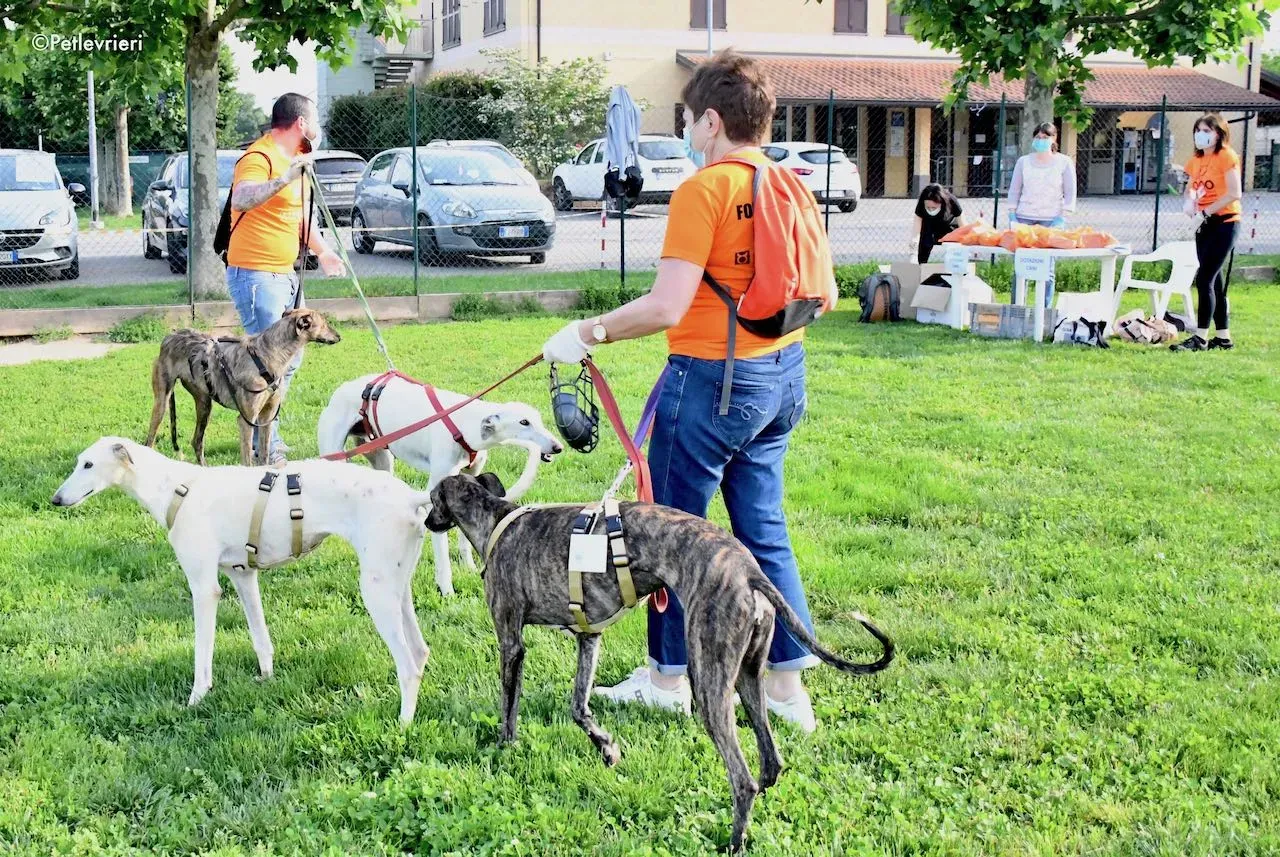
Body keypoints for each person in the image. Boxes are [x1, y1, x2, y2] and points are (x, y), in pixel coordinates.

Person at [541, 51, 837, 733]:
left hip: (710, 381)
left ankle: (667, 678)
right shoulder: (788, 182)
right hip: (781, 375)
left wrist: (585, 333)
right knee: (763, 527)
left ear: (710, 122)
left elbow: (666, 306)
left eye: (687, 119)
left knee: (668, 535)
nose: (685, 131)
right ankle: (787, 689)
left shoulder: (703, 190)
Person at [226, 92, 344, 466]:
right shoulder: (259, 157)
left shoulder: (295, 162)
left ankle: (265, 433)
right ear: (301, 123)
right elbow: (242, 198)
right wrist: (284, 178)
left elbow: (298, 217)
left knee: (289, 360)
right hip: (257, 275)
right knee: (266, 363)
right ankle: (264, 445)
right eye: (316, 120)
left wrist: (322, 251)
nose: (318, 128)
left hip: (285, 275)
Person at [1171, 114, 1242, 352]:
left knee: (1204, 278)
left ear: (1219, 134)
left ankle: (1200, 337)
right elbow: (1191, 188)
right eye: (1198, 130)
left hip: (1225, 222)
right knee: (1214, 281)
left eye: (1206, 130)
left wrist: (1206, 211)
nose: (1200, 135)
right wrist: (1190, 202)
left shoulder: (1227, 156)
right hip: (1204, 224)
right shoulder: (1196, 160)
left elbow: (1234, 193)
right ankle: (1223, 337)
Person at [1007, 122, 1076, 305]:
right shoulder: (1023, 162)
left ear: (1054, 139)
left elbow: (1070, 192)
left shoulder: (1064, 162)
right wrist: (1012, 214)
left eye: (1045, 137)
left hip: (1051, 220)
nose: (1041, 141)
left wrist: (1062, 217)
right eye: (1037, 137)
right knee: (1020, 267)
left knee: (1047, 269)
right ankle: (1017, 309)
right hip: (1024, 218)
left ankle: (1044, 311)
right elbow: (1014, 190)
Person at [910, 183, 964, 264]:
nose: (931, 210)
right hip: (928, 226)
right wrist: (913, 251)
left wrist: (965, 243)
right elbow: (916, 229)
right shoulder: (921, 203)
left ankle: (955, 266)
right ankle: (921, 267)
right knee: (923, 246)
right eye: (928, 207)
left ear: (941, 203)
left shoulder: (951, 200)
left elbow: (963, 226)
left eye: (934, 207)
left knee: (956, 246)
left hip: (948, 226)